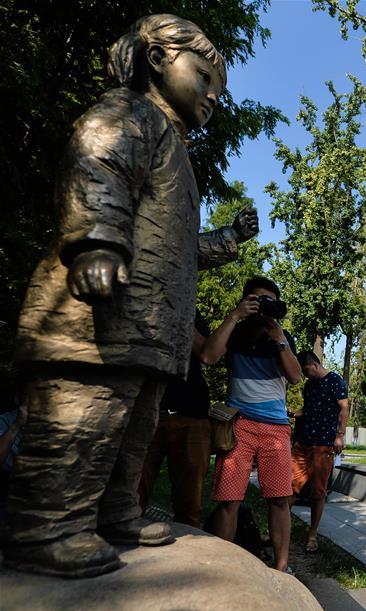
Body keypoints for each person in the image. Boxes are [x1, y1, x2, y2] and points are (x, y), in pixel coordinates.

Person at [3, 15, 258, 578]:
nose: (214, 94)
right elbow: (98, 167)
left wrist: (229, 240)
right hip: (100, 318)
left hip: (147, 331)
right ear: (160, 59)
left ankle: (116, 510)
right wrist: (97, 242)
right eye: (206, 74)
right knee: (84, 417)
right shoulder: (129, 114)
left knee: (133, 427)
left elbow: (177, 244)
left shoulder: (176, 149)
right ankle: (45, 525)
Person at [204, 277, 301, 572]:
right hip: (240, 425)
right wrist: (234, 316)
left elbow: (296, 377)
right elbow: (208, 357)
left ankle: (281, 568)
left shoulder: (282, 337)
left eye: (270, 301)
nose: (264, 307)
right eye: (259, 300)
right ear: (246, 300)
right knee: (229, 499)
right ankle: (221, 568)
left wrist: (279, 337)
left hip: (276, 428)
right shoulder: (233, 331)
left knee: (280, 500)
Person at [138, 311, 214, 528]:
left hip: (191, 414)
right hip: (146, 411)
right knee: (131, 494)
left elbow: (207, 354)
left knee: (190, 505)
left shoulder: (188, 309)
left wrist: (178, 314)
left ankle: (189, 557)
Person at [290, 352, 349, 554]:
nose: (305, 376)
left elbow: (344, 408)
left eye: (306, 371)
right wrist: (295, 413)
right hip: (302, 442)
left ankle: (312, 535)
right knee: (290, 487)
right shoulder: (309, 385)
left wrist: (339, 435)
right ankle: (280, 529)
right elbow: (309, 409)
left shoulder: (335, 381)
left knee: (317, 492)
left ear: (314, 365)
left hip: (323, 444)